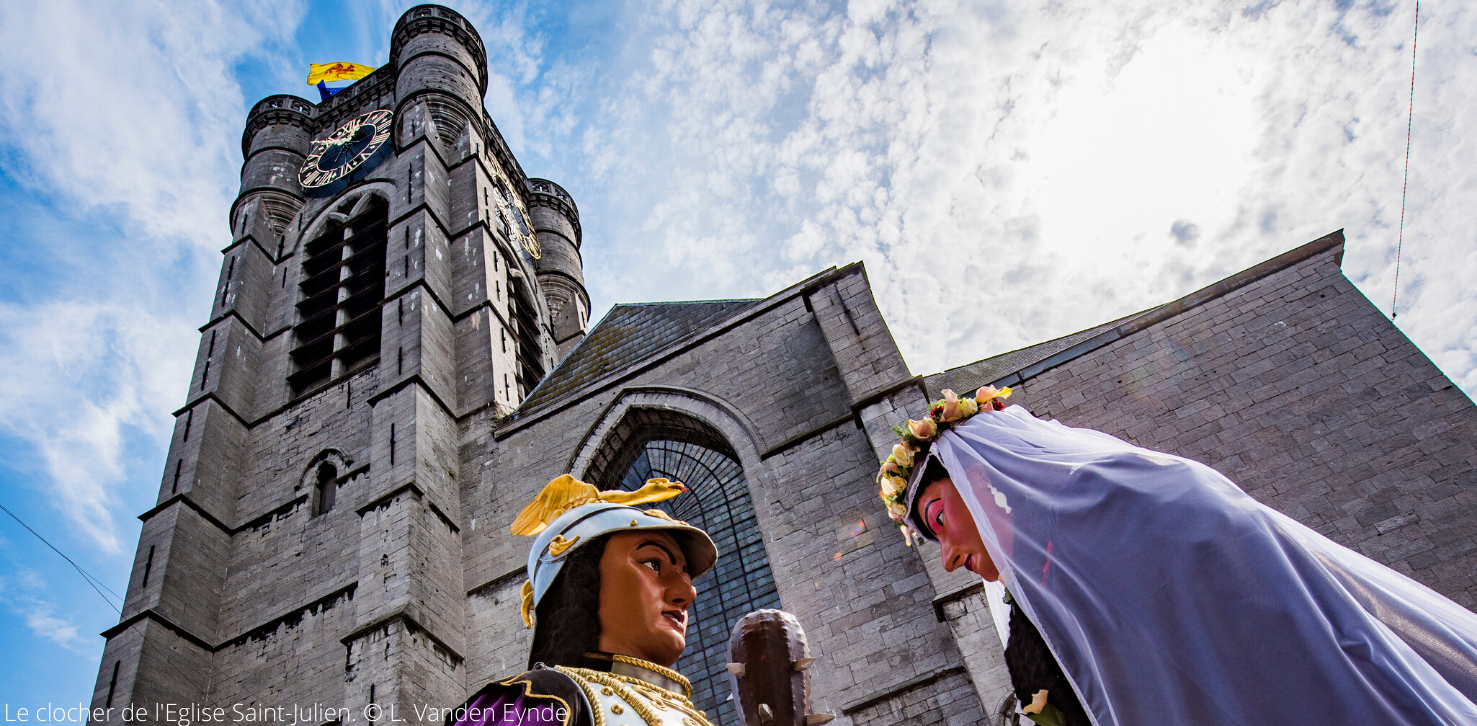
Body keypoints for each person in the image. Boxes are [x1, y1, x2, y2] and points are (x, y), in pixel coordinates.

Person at [878, 387, 1477, 726]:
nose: (950, 559)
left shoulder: (1131, 503)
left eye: (939, 522)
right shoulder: (1031, 609)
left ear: (983, 479)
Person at [447, 474, 721, 726]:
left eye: (685, 574)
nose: (687, 593)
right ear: (582, 581)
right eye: (653, 563)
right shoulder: (539, 701)